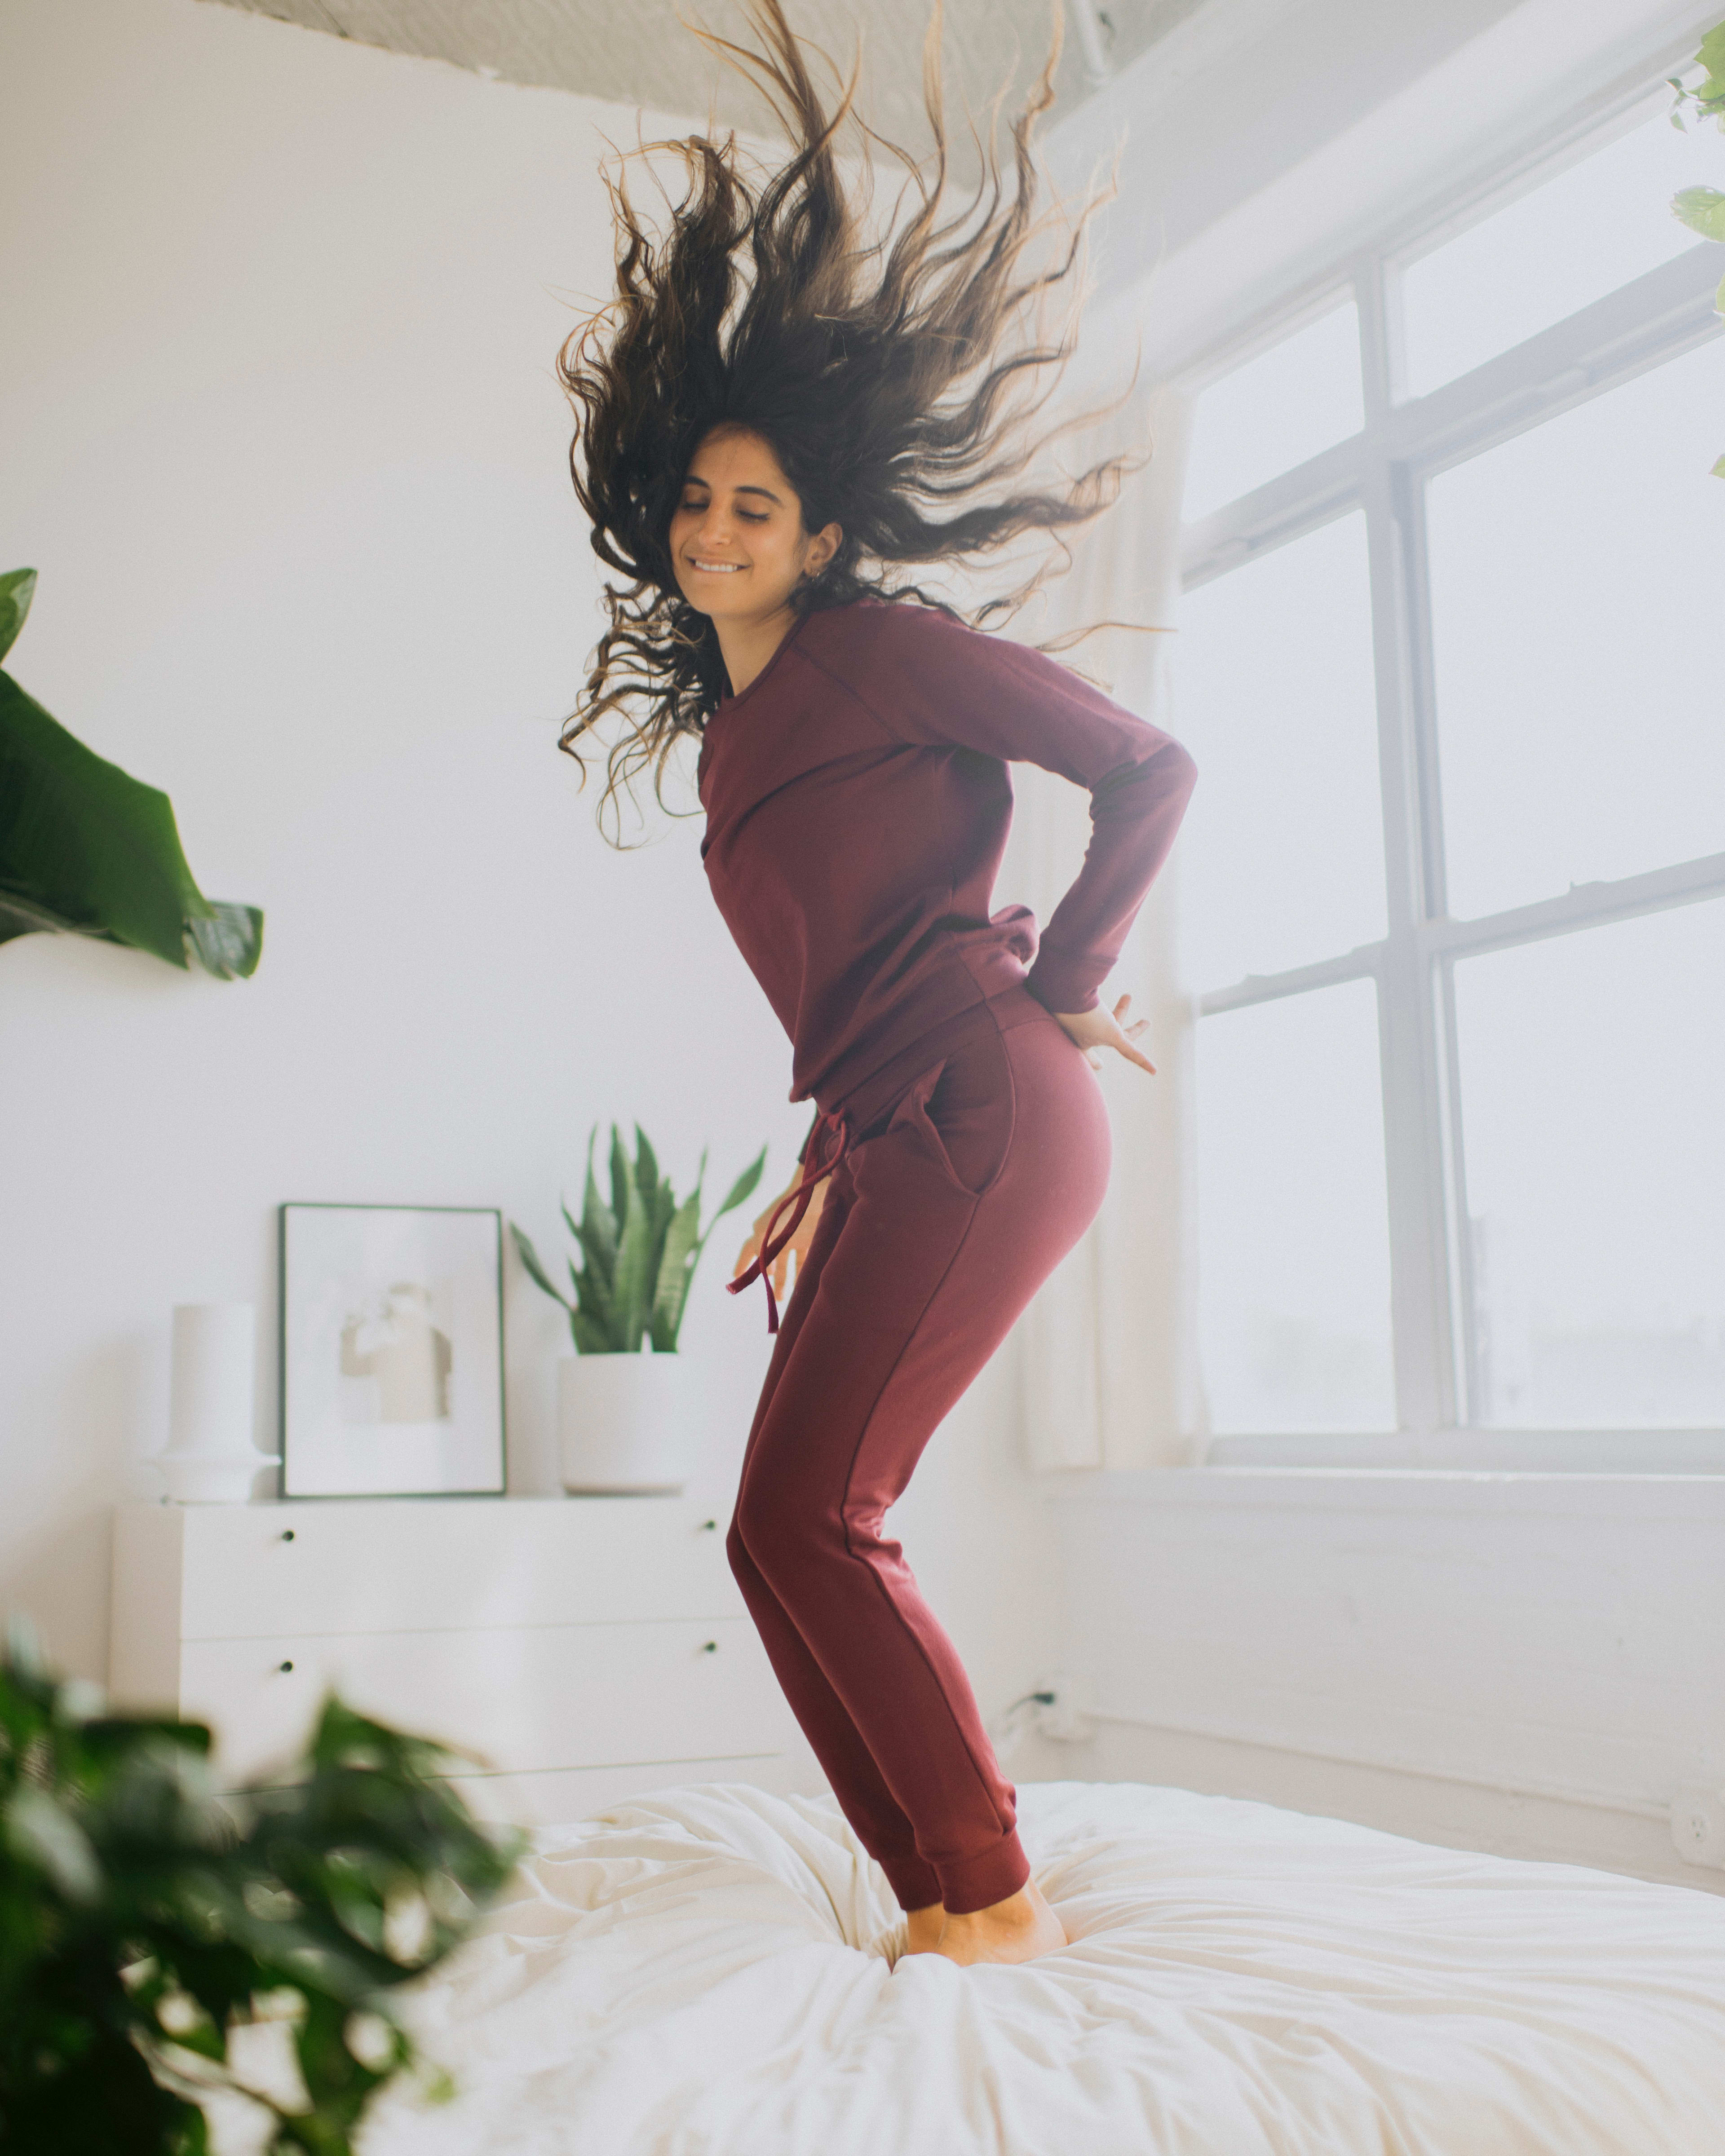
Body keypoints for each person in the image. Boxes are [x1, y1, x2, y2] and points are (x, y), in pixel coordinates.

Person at [557, 0, 1197, 1967]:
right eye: (696, 505)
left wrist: (1074, 972)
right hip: (899, 1125)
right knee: (776, 1534)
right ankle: (939, 1887)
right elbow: (852, 984)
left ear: (819, 534)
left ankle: (989, 1893)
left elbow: (1145, 766)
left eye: (756, 505)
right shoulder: (734, 752)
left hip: (992, 1106)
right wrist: (834, 1153)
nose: (716, 528)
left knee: (821, 1516)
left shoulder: (886, 647)